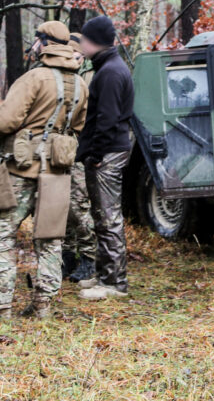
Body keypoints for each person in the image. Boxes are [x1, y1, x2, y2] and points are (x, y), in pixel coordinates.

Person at [0, 21, 88, 319]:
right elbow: (77, 127)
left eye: (36, 40)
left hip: (19, 170)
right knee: (51, 239)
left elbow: (5, 122)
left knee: (1, 233)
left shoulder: (33, 78)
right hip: (57, 170)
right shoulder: (80, 84)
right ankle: (43, 307)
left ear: (43, 42)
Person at [74, 16, 135, 301]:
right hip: (108, 151)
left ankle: (114, 283)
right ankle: (104, 274)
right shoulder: (109, 67)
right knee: (102, 217)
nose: (81, 44)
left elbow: (107, 119)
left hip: (107, 154)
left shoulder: (110, 72)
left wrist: (96, 155)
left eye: (84, 39)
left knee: (108, 219)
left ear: (92, 41)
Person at [63, 33, 97, 283]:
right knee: (58, 206)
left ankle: (89, 257)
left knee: (78, 206)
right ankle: (67, 257)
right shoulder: (58, 73)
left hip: (79, 150)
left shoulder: (89, 76)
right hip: (58, 150)